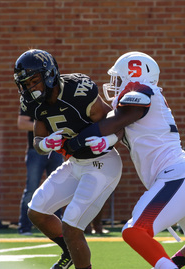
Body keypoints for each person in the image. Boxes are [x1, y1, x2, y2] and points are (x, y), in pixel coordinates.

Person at [65, 51, 185, 269]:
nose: (116, 84)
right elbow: (119, 129)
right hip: (175, 174)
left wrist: (76, 141)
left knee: (134, 232)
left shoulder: (140, 91)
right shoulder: (147, 100)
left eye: (119, 78)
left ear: (133, 74)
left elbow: (118, 120)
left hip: (175, 175)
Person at [13, 49, 123, 269]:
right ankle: (69, 251)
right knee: (37, 210)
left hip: (103, 163)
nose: (30, 88)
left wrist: (108, 140)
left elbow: (115, 121)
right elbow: (38, 139)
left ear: (50, 74)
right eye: (25, 83)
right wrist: (44, 144)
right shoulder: (33, 103)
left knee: (71, 224)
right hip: (75, 164)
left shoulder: (78, 90)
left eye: (34, 80)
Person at [17, 110, 63, 235]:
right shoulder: (31, 100)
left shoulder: (60, 98)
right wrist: (45, 128)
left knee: (57, 189)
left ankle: (57, 228)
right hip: (36, 151)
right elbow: (22, 123)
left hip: (57, 151)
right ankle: (25, 227)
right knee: (31, 188)